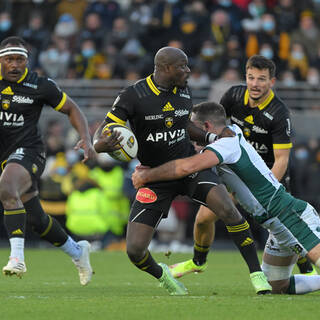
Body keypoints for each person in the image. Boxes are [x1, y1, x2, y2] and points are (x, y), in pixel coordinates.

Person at [93, 46, 271, 295]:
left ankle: (257, 274)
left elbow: (184, 124)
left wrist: (210, 136)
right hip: (155, 176)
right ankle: (163, 275)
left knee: (228, 210)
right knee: (134, 250)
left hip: (190, 167)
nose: (188, 70)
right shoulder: (133, 95)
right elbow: (105, 130)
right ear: (165, 68)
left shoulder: (184, 89)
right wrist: (101, 145)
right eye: (182, 66)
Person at [132, 101, 320, 294]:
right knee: (277, 286)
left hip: (289, 215)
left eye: (193, 130)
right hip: (276, 227)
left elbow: (186, 167)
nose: (190, 137)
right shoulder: (231, 133)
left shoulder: (225, 145)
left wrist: (146, 175)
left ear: (206, 127)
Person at [167, 54, 316, 278]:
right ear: (245, 77)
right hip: (233, 170)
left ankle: (307, 270)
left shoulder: (278, 113)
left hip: (265, 178)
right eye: (251, 77)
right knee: (203, 218)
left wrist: (261, 192)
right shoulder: (234, 96)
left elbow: (282, 159)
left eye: (262, 79)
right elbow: (215, 123)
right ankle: (198, 262)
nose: (255, 84)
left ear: (271, 82)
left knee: (284, 233)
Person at [0, 36, 95, 285]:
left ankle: (17, 258)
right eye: (9, 59)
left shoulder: (40, 86)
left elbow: (72, 109)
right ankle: (78, 252)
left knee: (7, 187)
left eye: (19, 59)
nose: (14, 64)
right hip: (3, 155)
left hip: (29, 150)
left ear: (27, 62)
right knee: (37, 219)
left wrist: (86, 138)